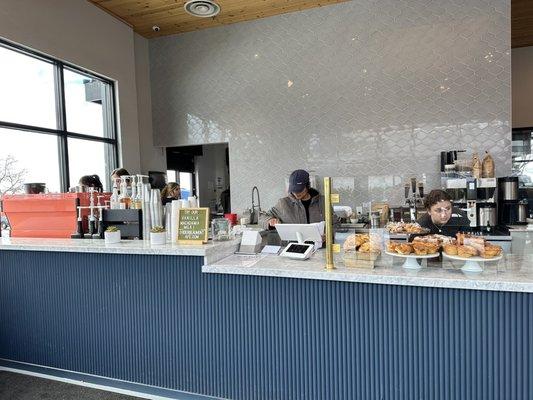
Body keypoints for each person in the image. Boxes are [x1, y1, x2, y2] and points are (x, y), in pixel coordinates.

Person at [260, 169, 337, 231]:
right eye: (294, 190)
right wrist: (270, 220)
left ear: (308, 186)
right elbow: (262, 217)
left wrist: (328, 236)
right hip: (295, 248)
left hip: (321, 248)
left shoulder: (323, 202)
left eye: (300, 190)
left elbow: (335, 224)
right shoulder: (283, 204)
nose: (296, 193)